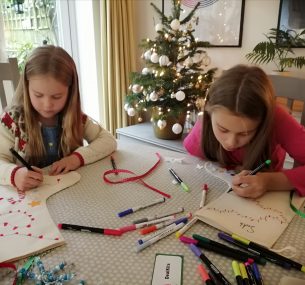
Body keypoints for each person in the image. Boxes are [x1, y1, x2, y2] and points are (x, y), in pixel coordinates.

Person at [0, 45, 117, 191]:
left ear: (70, 92)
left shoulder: (75, 118)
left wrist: (76, 159)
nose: (47, 105)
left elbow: (109, 141)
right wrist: (14, 174)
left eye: (57, 97)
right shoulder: (12, 122)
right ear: (26, 86)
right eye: (38, 95)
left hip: (70, 194)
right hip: (30, 198)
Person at [183, 64, 305, 198]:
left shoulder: (277, 118)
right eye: (223, 129)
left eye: (245, 133)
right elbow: (193, 163)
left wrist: (270, 181)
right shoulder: (209, 117)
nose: (231, 143)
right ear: (208, 110)